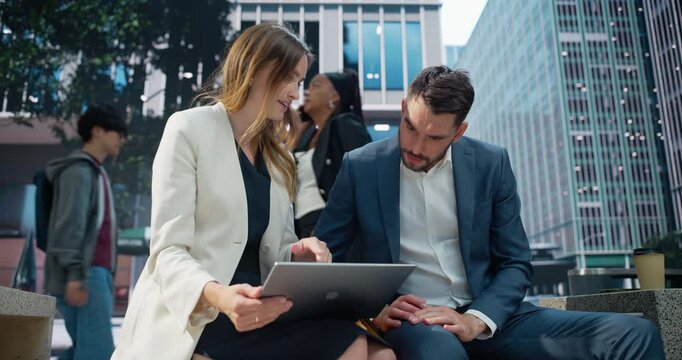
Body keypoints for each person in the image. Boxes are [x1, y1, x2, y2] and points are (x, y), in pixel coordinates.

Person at [314, 66, 664, 359]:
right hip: (417, 321)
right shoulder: (361, 166)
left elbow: (514, 261)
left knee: (634, 333)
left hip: (490, 316)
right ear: (404, 108)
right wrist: (372, 312)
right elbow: (331, 259)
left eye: (434, 138)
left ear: (459, 132)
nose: (416, 147)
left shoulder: (490, 163)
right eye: (410, 128)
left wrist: (477, 320)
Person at [112, 24, 394, 360]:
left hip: (263, 307)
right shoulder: (188, 129)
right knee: (357, 347)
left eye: (300, 82)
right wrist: (220, 296)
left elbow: (276, 248)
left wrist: (297, 252)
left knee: (379, 353)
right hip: (203, 310)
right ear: (253, 68)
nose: (294, 93)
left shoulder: (279, 158)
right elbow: (167, 252)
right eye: (288, 78)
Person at [45, 103, 126, 360]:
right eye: (117, 132)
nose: (121, 140)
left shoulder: (94, 171)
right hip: (86, 274)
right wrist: (75, 277)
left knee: (84, 349)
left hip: (92, 273)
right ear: (98, 131)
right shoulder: (80, 171)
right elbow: (70, 226)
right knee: (97, 353)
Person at [293, 69, 371, 237]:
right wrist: (298, 131)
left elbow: (364, 180)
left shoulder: (346, 125)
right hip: (300, 226)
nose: (307, 91)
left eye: (316, 86)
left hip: (328, 225)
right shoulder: (308, 136)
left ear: (335, 97)